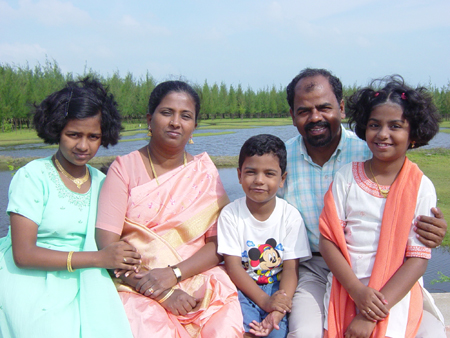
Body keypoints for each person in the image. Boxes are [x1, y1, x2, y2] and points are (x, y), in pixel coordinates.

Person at [279, 68, 448, 338]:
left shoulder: (370, 150)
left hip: (391, 272)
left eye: (324, 107)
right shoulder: (279, 160)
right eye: (304, 110)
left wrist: (435, 229)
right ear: (292, 115)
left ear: (342, 108)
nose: (316, 117)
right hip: (314, 268)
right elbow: (257, 214)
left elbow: (416, 245)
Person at [95, 80, 244, 337]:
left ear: (194, 126)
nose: (176, 122)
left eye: (185, 116)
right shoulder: (124, 169)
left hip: (198, 276)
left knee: (224, 324)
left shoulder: (204, 172)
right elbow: (108, 247)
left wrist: (174, 274)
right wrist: (162, 292)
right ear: (149, 120)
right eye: (167, 113)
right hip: (138, 283)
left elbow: (218, 244)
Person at [0, 77, 140, 337]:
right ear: (56, 130)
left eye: (93, 136)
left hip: (88, 282)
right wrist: (99, 259)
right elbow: (23, 254)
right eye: (73, 134)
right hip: (32, 281)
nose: (83, 146)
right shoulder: (33, 177)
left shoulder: (104, 183)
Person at [218, 134, 311, 338]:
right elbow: (233, 267)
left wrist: (278, 308)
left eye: (269, 174)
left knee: (276, 333)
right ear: (239, 175)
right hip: (242, 287)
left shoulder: (290, 216)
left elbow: (290, 269)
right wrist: (264, 301)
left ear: (282, 179)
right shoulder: (230, 214)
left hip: (278, 288)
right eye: (251, 172)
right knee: (245, 331)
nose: (259, 181)